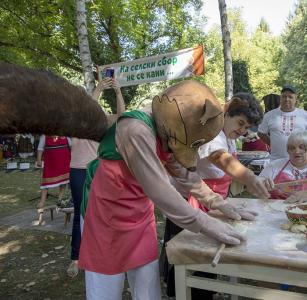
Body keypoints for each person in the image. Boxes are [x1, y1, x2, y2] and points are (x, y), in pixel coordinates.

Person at [78, 81, 260, 300]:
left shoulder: (170, 128)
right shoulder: (135, 129)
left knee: (147, 290)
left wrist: (217, 202)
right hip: (106, 218)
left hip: (140, 217)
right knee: (106, 291)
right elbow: (159, 189)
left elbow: (184, 174)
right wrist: (203, 222)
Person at [161, 92, 273, 298]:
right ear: (226, 113)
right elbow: (219, 159)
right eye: (240, 123)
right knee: (190, 257)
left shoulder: (229, 138)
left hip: (215, 204)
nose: (242, 130)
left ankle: (199, 292)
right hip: (191, 202)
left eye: (247, 128)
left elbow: (226, 172)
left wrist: (256, 180)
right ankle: (184, 293)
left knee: (210, 256)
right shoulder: (211, 134)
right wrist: (249, 177)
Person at [66, 77, 125, 278]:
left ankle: (102, 252)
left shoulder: (101, 119)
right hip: (78, 170)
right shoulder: (73, 119)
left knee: (102, 213)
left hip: (98, 170)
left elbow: (122, 117)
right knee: (79, 213)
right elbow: (85, 112)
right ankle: (76, 258)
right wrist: (99, 88)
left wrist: (117, 92)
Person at [258, 85, 307, 161]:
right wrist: (272, 143)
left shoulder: (305, 115)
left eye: (290, 97)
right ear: (280, 99)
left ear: (295, 100)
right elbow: (261, 132)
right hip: (276, 160)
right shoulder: (269, 115)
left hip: (299, 160)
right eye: (284, 96)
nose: (287, 99)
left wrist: (302, 144)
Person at [35, 135, 71, 209]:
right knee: (46, 182)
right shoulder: (45, 135)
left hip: (64, 160)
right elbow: (40, 148)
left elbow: (71, 146)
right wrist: (39, 159)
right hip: (50, 162)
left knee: (63, 180)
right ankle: (42, 201)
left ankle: (60, 198)